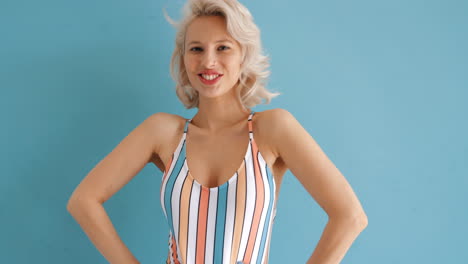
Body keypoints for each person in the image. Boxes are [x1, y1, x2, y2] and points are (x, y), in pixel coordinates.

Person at [66, 0, 368, 263]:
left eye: (223, 47)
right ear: (184, 60)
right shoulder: (163, 133)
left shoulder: (273, 129)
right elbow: (83, 201)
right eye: (196, 49)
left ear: (243, 56)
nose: (208, 61)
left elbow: (350, 217)